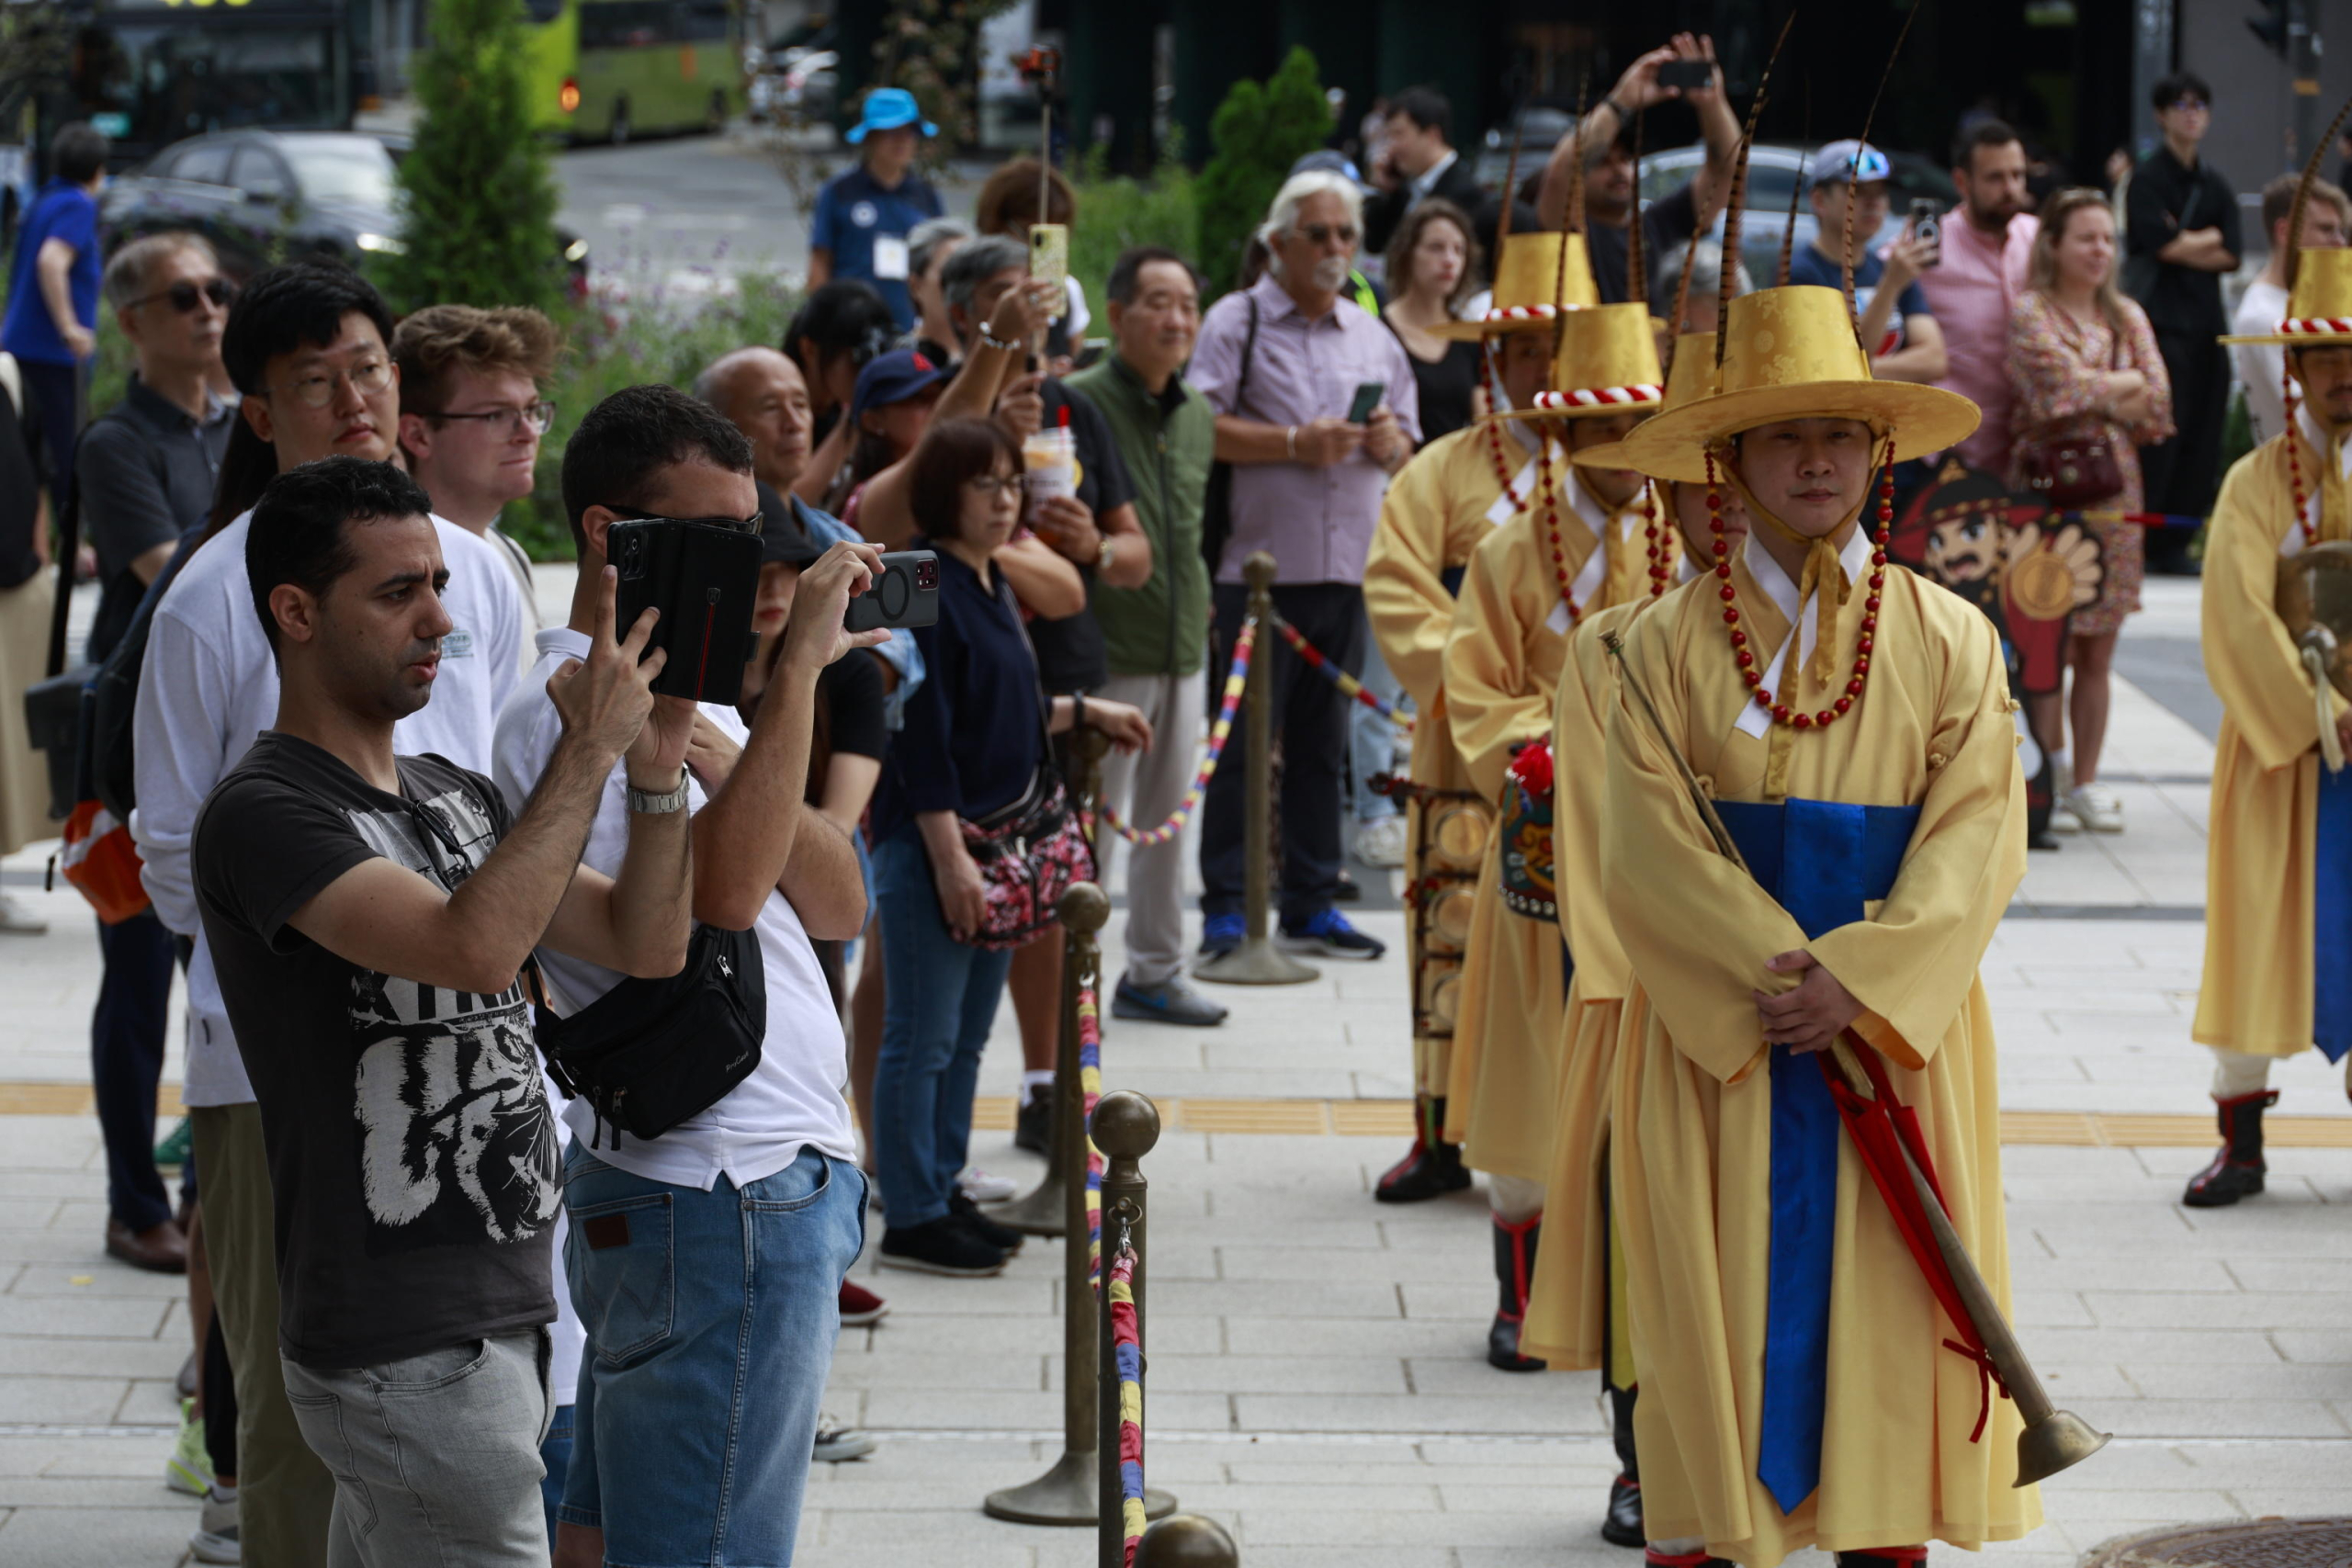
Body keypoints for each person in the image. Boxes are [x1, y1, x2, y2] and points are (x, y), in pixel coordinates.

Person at [192, 456, 694, 1568]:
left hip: (500, 1311)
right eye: (396, 593)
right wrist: (589, 747)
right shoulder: (267, 812)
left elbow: (646, 942)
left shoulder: (453, 796)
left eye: (438, 584)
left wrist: (653, 776)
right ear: (295, 612)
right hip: (401, 1342)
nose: (438, 619)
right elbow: (473, 950)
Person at [1605, 277, 2035, 1568]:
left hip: (1895, 1038)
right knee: (1706, 1323)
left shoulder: (1953, 638)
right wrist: (1775, 977)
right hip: (1716, 1042)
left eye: (1840, 434)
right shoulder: (1642, 649)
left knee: (1892, 1325)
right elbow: (1641, 844)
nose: (1813, 460)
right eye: (1783, 435)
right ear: (1723, 461)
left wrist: (1863, 982)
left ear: (1879, 452)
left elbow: (1978, 834)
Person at [131, 261, 526, 1567]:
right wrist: (324, 935)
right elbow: (178, 846)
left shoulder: (477, 569)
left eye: (370, 365)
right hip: (280, 1060)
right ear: (260, 411)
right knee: (304, 1424)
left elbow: (508, 779)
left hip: (472, 1038)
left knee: (481, 1410)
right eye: (317, 379)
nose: (356, 396)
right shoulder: (211, 597)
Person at [494, 386, 876, 1565]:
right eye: (716, 536)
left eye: (753, 532)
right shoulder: (563, 715)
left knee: (607, 1539)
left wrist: (727, 736)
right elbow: (715, 902)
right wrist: (799, 679)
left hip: (718, 1185)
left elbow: (837, 895)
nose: (748, 565)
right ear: (614, 536)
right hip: (722, 1189)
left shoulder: (681, 695)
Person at [1521, 326, 1749, 1550]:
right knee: (1641, 1233)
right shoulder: (1619, 644)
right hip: (1644, 984)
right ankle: (1643, 1454)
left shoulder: (1865, 631)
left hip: (1806, 995)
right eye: (1698, 478)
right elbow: (1617, 841)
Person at [1442, 298, 1673, 1379]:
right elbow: (1474, 690)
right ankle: (1517, 1289)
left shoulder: (1694, 535)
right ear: (1563, 436)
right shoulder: (1504, 552)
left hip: (1660, 840)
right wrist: (1549, 743)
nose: (1625, 457)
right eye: (1603, 434)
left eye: (1641, 432)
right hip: (1543, 835)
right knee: (1533, 1061)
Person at [866, 417, 1149, 1275]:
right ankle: (911, 1211)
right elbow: (915, 732)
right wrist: (949, 856)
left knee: (961, 1036)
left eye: (1011, 482)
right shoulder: (918, 577)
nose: (1004, 497)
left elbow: (996, 708)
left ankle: (943, 1184)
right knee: (919, 1034)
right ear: (942, 490)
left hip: (1004, 846)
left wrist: (1081, 712)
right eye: (983, 482)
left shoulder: (992, 580)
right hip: (937, 841)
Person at [693, 340, 916, 1341]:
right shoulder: (681, 695)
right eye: (754, 564)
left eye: (792, 566)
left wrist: (742, 767)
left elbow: (833, 869)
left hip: (804, 957)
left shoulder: (844, 678)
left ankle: (836, 1242)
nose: (775, 586)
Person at [1362, 228, 1577, 1203]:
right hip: (1467, 730)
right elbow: (1398, 584)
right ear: (1495, 356)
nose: (1541, 365)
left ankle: (1570, 1124)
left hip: (1596, 740)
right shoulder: (1442, 468)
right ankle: (1439, 1130)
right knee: (1449, 929)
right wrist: (1484, 684)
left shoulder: (1630, 478)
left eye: (1561, 343)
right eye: (1523, 346)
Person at [1190, 169, 1419, 961]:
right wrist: (1293, 443)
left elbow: (1410, 442)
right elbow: (1199, 425)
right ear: (1277, 242)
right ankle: (1225, 903)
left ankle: (1312, 900)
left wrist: (1390, 443)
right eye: (1318, 234)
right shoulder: (1237, 319)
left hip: (1347, 568)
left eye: (1346, 235)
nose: (1334, 248)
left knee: (1323, 743)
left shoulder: (1370, 331)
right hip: (1256, 575)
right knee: (1243, 743)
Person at [71, 232, 238, 1280]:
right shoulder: (114, 441)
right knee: (137, 976)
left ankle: (201, 1193)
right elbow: (164, 571)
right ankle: (136, 1204)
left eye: (221, 289)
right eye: (184, 297)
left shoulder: (237, 426)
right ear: (133, 321)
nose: (210, 311)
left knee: (216, 979)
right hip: (138, 743)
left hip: (230, 730)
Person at [2189, 246, 2352, 1207]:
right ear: (2291, 370)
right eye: (2327, 360)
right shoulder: (2254, 484)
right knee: (2257, 930)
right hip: (2278, 746)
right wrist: (2320, 710)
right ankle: (2239, 1138)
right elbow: (2236, 614)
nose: (2344, 377)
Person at [1066, 247, 1226, 1029]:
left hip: (1182, 646)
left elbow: (1194, 528)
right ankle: (1073, 972)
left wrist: (1198, 604)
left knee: (1170, 818)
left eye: (1189, 304)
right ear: (1119, 314)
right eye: (1159, 302)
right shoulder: (1077, 402)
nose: (1177, 319)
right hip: (1107, 647)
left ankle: (1158, 970)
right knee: (1096, 819)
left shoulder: (1197, 414)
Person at [2009, 187, 2172, 837]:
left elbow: (2158, 401)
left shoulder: (2127, 313)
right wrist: (2118, 388)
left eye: (2108, 238)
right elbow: (2052, 394)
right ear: (2054, 244)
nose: (2100, 250)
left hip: (2115, 497)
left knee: (2099, 648)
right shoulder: (2030, 312)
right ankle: (2048, 773)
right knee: (2048, 641)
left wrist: (2098, 391)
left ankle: (2087, 781)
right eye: (2086, 238)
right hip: (2046, 498)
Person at [393, 304, 563, 627]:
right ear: (418, 435)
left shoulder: (509, 554)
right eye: (496, 415)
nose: (528, 433)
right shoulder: (396, 581)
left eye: (530, 409)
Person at [1537, 35, 1740, 304]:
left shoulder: (1659, 225)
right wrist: (1622, 101)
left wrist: (1712, 103)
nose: (1619, 170)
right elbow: (1563, 171)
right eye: (1603, 162)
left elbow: (1726, 170)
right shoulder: (1572, 231)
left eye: (1624, 159)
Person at [2123, 73, 2240, 531]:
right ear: (2161, 114)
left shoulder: (2215, 183)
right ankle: (2151, 534)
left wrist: (2184, 238)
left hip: (2208, 321)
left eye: (2200, 105)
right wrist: (2198, 241)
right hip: (2162, 322)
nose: (2192, 114)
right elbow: (2159, 245)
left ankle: (2182, 533)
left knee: (2204, 429)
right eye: (2181, 105)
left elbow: (2231, 251)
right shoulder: (2146, 179)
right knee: (2163, 431)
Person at [1919, 121, 2041, 479]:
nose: (2011, 189)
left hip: (2027, 453)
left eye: (2018, 175)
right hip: (1951, 454)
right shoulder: (1929, 244)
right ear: (1961, 181)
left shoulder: (2037, 237)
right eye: (1995, 178)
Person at [1, 121, 108, 512]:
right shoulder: (78, 203)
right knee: (68, 454)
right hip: (55, 355)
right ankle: (74, 551)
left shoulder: (43, 200)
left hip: (21, 346)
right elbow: (51, 261)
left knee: (27, 456)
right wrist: (69, 328)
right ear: (98, 170)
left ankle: (39, 546)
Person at [1788, 141, 1947, 385]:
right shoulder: (1799, 274)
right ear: (1819, 201)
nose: (1874, 202)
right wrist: (1890, 286)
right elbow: (1828, 370)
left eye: (1881, 191)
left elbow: (1935, 360)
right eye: (1858, 192)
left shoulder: (1889, 268)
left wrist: (1863, 369)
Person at [809, 88, 944, 334]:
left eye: (909, 132)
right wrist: (818, 325)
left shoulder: (925, 195)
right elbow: (820, 260)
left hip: (909, 328)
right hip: (848, 327)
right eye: (891, 132)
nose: (902, 141)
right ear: (870, 138)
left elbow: (939, 263)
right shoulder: (839, 192)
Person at [2229, 173, 2351, 446]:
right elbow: (2321, 413)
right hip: (2301, 481)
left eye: (2341, 231)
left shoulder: (2311, 300)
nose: (2340, 243)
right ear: (2285, 232)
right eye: (2326, 229)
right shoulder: (2262, 315)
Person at [786, 280, 898, 511]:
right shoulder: (777, 414)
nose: (867, 373)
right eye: (857, 360)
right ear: (809, 349)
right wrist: (854, 417)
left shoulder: (840, 409)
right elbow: (789, 505)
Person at [1382, 200, 1486, 443]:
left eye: (1459, 250)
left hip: (1457, 471)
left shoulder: (1467, 334)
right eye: (1436, 248)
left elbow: (1483, 419)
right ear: (1408, 254)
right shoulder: (1379, 331)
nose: (1450, 260)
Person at [972, 158, 1091, 366]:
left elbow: (1077, 358)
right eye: (1036, 236)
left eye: (1054, 236)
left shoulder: (1067, 290)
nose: (1041, 250)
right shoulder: (973, 286)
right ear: (997, 223)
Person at [1363, 86, 1488, 256]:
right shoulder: (1406, 190)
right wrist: (1386, 191)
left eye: (1399, 134)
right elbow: (1374, 245)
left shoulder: (1464, 193)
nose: (1392, 146)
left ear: (1432, 135)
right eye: (1389, 136)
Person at [901, 215, 973, 365]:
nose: (963, 286)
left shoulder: (995, 359)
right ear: (916, 286)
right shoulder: (900, 361)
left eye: (970, 273)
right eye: (950, 273)